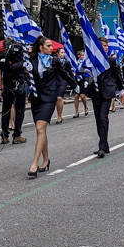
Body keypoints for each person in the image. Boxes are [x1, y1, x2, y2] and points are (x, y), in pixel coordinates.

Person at [25, 36, 77, 178]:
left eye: (51, 46)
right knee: (41, 131)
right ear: (41, 47)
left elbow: (64, 75)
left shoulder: (54, 61)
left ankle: (34, 163)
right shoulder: (31, 61)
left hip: (49, 98)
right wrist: (25, 71)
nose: (51, 48)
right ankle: (46, 159)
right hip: (36, 98)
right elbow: (15, 71)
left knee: (40, 128)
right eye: (48, 46)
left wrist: (76, 86)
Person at [88, 37, 123, 158]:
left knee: (103, 118)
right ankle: (104, 144)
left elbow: (117, 74)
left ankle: (102, 147)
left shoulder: (111, 60)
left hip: (107, 92)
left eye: (107, 45)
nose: (106, 47)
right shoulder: (92, 60)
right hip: (96, 92)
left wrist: (121, 88)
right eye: (103, 45)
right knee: (98, 119)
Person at [0, 40, 28, 144]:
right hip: (18, 84)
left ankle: (4, 135)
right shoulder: (21, 58)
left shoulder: (2, 57)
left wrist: (0, 88)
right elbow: (25, 70)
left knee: (6, 110)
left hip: (7, 85)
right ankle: (17, 135)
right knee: (19, 110)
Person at [54, 48, 70, 124]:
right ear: (57, 53)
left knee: (59, 97)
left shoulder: (66, 62)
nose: (63, 54)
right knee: (55, 99)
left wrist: (74, 83)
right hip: (55, 81)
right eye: (61, 52)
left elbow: (69, 73)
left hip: (63, 81)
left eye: (64, 52)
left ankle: (59, 116)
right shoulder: (53, 61)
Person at [73, 50, 90, 117]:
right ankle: (76, 112)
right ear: (78, 56)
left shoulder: (85, 64)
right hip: (76, 81)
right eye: (82, 55)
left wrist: (86, 80)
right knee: (76, 96)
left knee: (82, 96)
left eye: (83, 55)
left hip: (83, 81)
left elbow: (87, 72)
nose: (83, 56)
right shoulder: (75, 63)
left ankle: (85, 107)